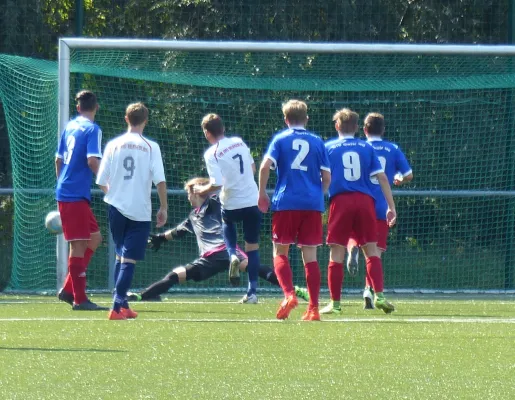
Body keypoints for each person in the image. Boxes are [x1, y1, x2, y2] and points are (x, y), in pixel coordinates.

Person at [126, 177, 309, 302]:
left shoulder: (214, 202)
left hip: (213, 255)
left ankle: (141, 296)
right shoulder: (193, 216)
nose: (188, 196)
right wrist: (159, 238)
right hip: (223, 253)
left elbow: (220, 188)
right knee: (258, 269)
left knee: (175, 276)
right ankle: (295, 290)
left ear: (196, 192)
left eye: (189, 193)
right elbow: (176, 231)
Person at [258, 99, 331, 321]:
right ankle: (314, 309)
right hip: (311, 205)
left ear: (286, 119)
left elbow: (264, 167)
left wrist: (262, 193)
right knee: (310, 257)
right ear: (306, 118)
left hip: (286, 202)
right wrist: (319, 195)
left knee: (280, 252)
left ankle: (289, 294)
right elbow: (327, 177)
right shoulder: (318, 141)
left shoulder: (280, 139)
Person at [321, 108, 396, 315]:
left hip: (341, 201)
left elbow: (323, 179)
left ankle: (335, 304)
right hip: (365, 202)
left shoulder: (327, 148)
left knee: (336, 253)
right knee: (372, 251)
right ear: (356, 127)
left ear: (337, 126)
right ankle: (379, 295)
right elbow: (381, 178)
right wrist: (391, 206)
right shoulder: (367, 147)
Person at [96, 102, 168, 320]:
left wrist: (115, 193)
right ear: (145, 120)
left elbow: (100, 180)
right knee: (128, 260)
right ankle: (117, 307)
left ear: (126, 119)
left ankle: (124, 304)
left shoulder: (113, 144)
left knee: (120, 256)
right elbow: (160, 180)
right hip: (139, 210)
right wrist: (163, 206)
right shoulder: (150, 146)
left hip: (116, 208)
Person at [346, 112, 413, 309]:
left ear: (364, 129)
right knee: (374, 254)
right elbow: (408, 174)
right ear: (383, 130)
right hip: (382, 207)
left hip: (359, 203)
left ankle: (352, 249)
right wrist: (399, 178)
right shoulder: (392, 148)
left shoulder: (359, 147)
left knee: (354, 237)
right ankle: (369, 290)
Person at [194, 114, 262, 304]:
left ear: (207, 133)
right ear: (223, 128)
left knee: (227, 222)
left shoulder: (211, 153)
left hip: (232, 203)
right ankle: (252, 292)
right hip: (252, 200)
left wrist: (202, 189)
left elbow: (216, 184)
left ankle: (232, 254)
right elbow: (253, 168)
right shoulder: (238, 142)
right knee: (252, 247)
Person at [55, 90, 106, 311]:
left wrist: (62, 184)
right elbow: (92, 161)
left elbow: (58, 160)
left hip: (70, 192)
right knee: (79, 245)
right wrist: (107, 187)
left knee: (94, 238)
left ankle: (69, 289)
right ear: (96, 107)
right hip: (73, 195)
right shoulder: (93, 129)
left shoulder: (70, 127)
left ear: (78, 107)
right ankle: (79, 299)